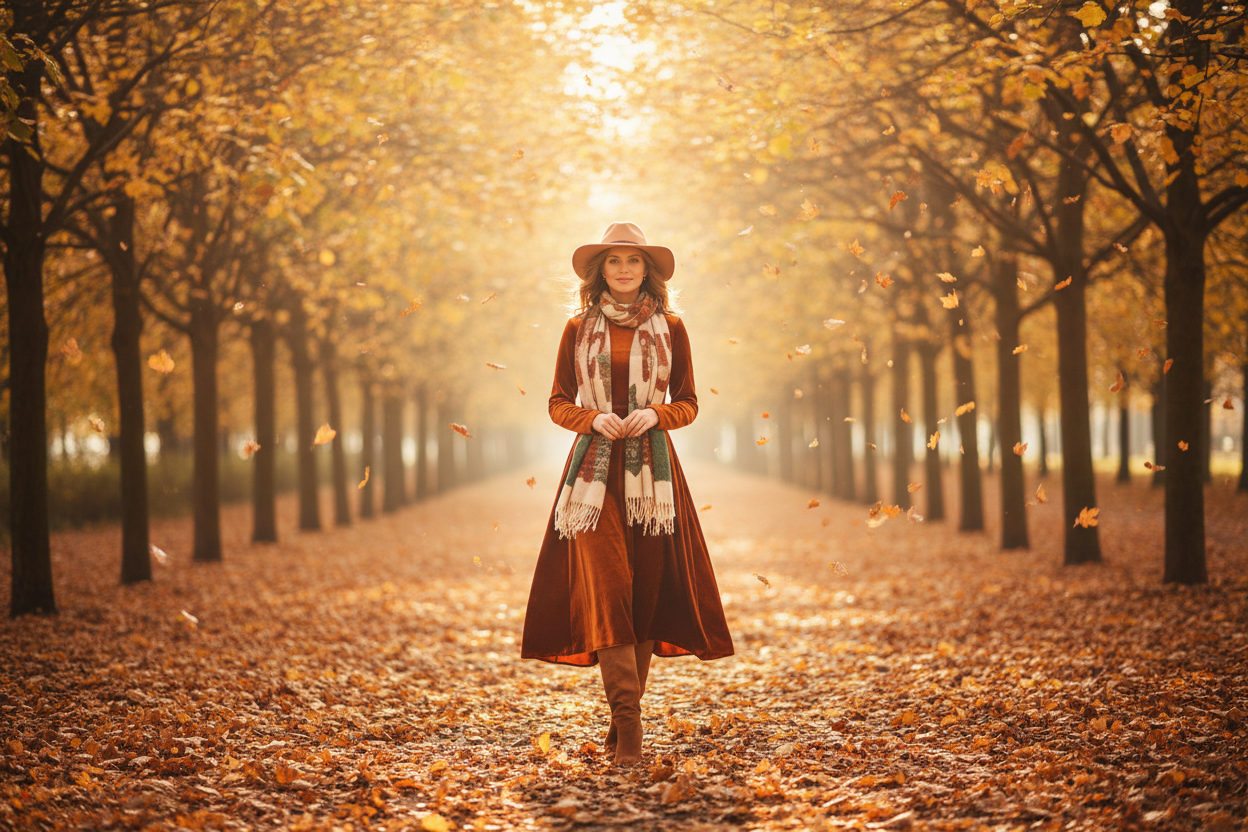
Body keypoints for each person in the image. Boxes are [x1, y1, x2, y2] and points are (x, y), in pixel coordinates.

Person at [521, 221, 734, 767]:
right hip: (592, 478)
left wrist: (653, 414)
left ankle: (620, 723)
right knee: (611, 589)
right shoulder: (576, 328)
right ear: (600, 271)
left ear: (647, 272)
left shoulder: (673, 327)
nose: (622, 270)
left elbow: (686, 402)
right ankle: (631, 727)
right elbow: (557, 402)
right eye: (613, 261)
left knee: (644, 597)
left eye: (632, 262)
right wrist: (592, 420)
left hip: (654, 480)